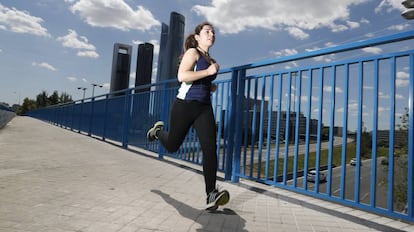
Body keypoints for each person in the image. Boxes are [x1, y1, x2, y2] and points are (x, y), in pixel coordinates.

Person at [147, 22, 229, 211]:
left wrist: (210, 84)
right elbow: (182, 76)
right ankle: (158, 132)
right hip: (184, 106)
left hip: (204, 108)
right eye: (207, 31)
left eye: (213, 32)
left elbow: (200, 79)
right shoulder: (193, 53)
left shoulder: (211, 59)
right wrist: (208, 73)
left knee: (210, 148)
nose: (212, 34)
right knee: (173, 145)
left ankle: (211, 194)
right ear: (198, 37)